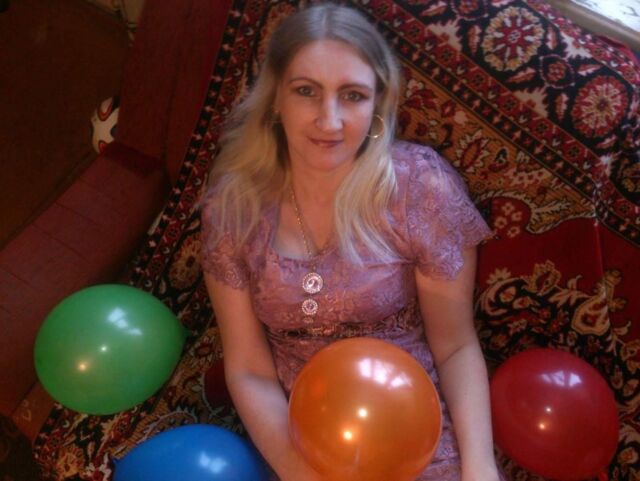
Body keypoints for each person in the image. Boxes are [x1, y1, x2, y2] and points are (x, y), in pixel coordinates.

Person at [200, 4, 501, 481]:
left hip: (412, 427)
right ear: (275, 97)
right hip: (300, 439)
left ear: (377, 105)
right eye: (306, 91)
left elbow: (455, 345)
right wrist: (299, 472)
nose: (330, 120)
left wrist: (480, 468)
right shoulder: (233, 207)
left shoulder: (420, 188)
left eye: (353, 96)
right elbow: (249, 368)